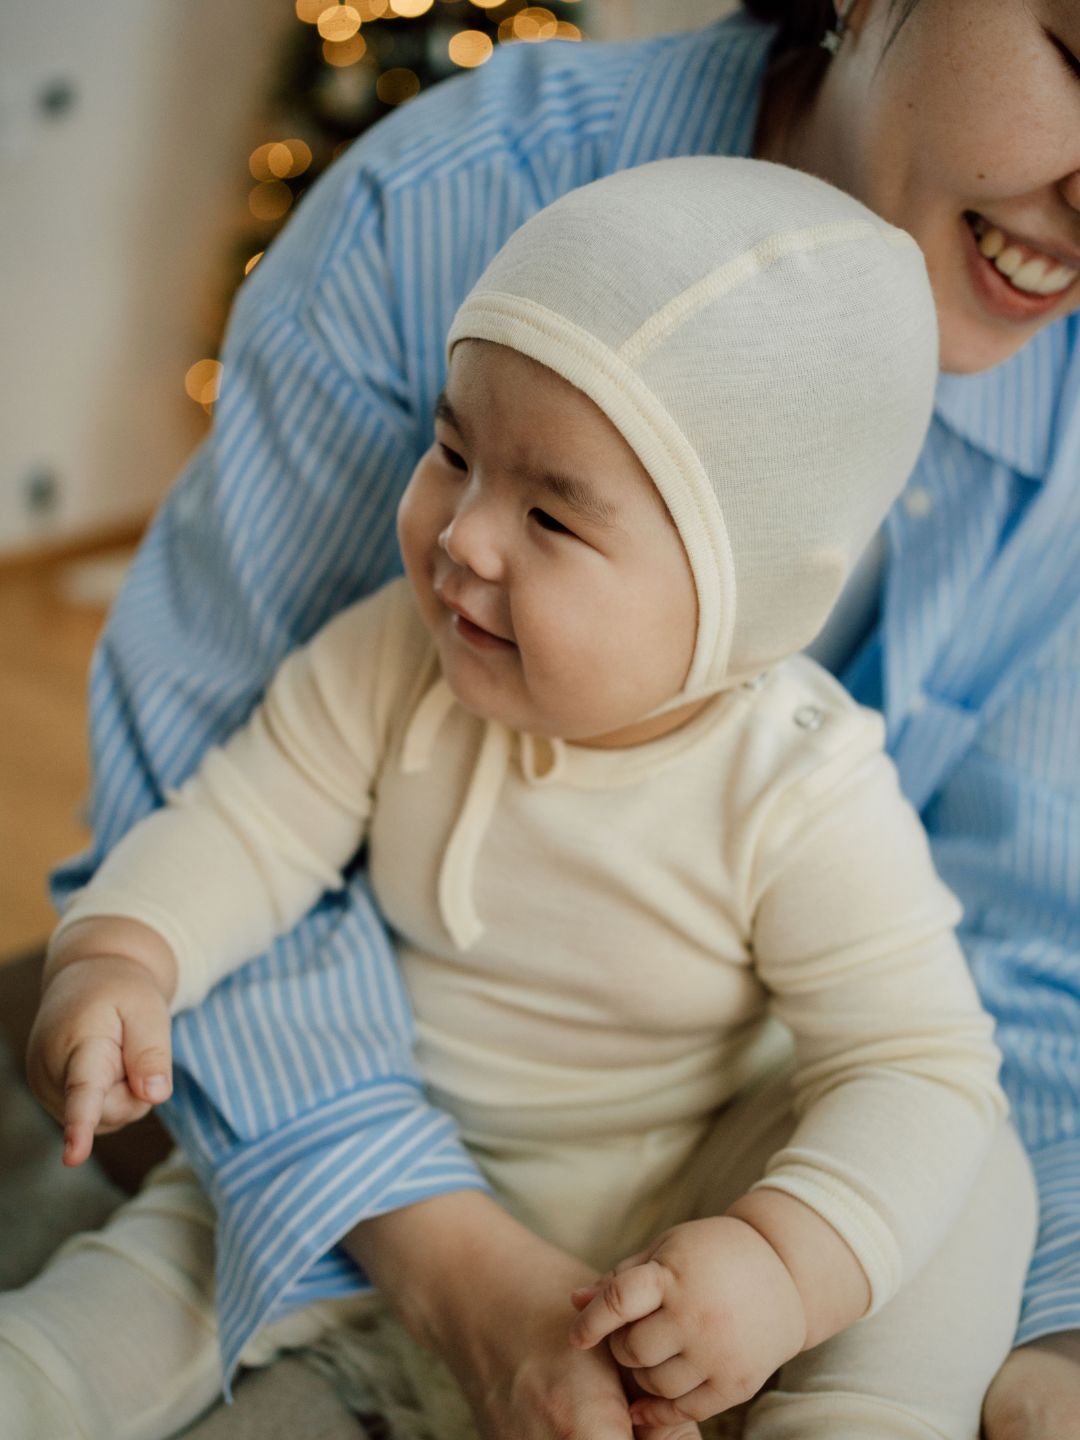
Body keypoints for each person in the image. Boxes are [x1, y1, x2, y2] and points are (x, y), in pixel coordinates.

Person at [4, 0, 1079, 1436]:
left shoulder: (802, 783)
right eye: (452, 453)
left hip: (700, 1183)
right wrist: (126, 952)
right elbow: (236, 817)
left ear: (755, 613)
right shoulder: (395, 649)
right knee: (115, 1307)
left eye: (555, 514)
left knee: (965, 1181)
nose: (464, 542)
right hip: (402, 1139)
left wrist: (783, 1266)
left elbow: (936, 1049)